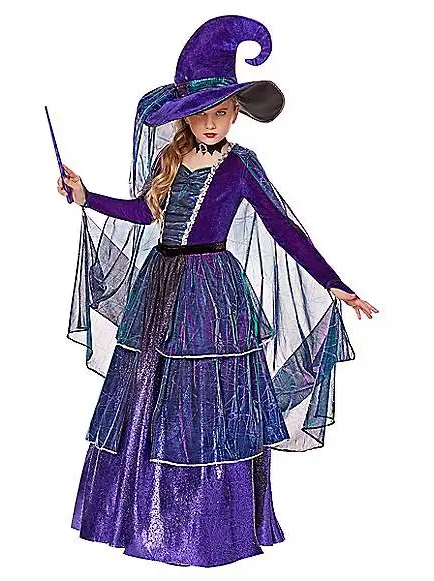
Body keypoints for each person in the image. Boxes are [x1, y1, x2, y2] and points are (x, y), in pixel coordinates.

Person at [56, 15, 378, 568]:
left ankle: (210, 527)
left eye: (223, 111)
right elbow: (144, 213)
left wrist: (335, 283)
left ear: (236, 113)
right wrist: (88, 198)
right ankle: (140, 516)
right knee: (153, 396)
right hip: (161, 287)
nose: (212, 122)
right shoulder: (169, 161)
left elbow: (284, 229)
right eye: (203, 112)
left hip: (210, 293)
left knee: (210, 400)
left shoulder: (240, 167)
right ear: (185, 115)